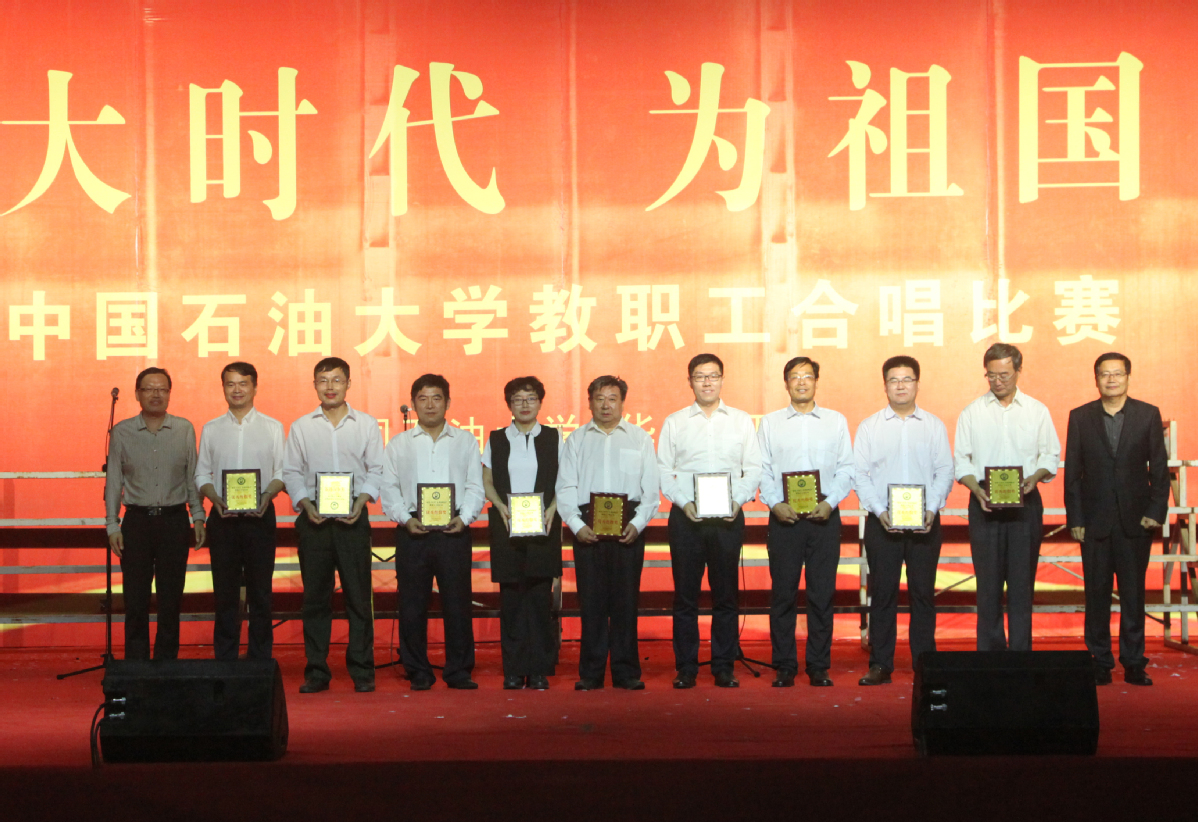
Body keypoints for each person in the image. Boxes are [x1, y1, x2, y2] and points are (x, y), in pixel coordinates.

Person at [657, 353, 762, 689]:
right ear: (689, 381)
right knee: (685, 597)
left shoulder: (741, 420)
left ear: (722, 379)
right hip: (686, 518)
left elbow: (753, 468)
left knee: (726, 595)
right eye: (700, 376)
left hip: (728, 517)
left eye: (713, 376)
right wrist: (684, 502)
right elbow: (663, 470)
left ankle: (723, 666)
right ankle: (686, 667)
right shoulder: (675, 421)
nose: (707, 382)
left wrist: (737, 500)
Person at [1065, 353, 1169, 686]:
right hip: (1094, 521)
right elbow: (1073, 473)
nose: (1111, 379)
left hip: (1135, 521)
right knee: (1096, 595)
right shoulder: (1080, 417)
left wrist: (1155, 511)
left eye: (1117, 374)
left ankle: (1134, 662)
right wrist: (1075, 517)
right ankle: (1099, 661)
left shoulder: (1147, 414)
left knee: (1133, 594)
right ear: (1095, 379)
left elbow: (1160, 469)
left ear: (1128, 377)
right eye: (1104, 374)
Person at [283, 357, 383, 694]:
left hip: (354, 518)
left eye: (337, 380)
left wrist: (361, 501)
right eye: (323, 380)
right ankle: (316, 671)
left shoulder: (366, 424)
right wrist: (306, 504)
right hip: (314, 520)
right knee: (315, 599)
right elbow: (291, 472)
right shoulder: (301, 426)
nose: (330, 387)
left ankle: (362, 670)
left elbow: (376, 469)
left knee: (358, 597)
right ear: (314, 385)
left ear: (348, 384)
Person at [853, 356, 953, 685]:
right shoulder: (870, 426)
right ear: (884, 385)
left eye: (907, 379)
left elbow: (945, 471)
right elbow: (860, 475)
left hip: (926, 523)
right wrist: (879, 510)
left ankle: (925, 662)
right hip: (882, 523)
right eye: (894, 380)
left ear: (917, 384)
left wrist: (932, 508)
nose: (900, 385)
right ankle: (881, 664)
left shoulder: (933, 425)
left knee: (923, 594)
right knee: (883, 594)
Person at [954, 343, 1061, 652]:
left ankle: (1020, 655)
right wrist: (976, 489)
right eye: (991, 375)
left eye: (1004, 375)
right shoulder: (972, 412)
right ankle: (990, 657)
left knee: (1021, 584)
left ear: (1018, 371)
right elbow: (962, 460)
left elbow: (1050, 455)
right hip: (984, 500)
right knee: (987, 585)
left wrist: (1035, 478)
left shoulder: (1037, 411)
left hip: (1025, 501)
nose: (997, 381)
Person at [382, 374, 485, 690]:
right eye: (423, 398)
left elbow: (474, 486)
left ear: (448, 402)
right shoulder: (398, 444)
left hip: (454, 529)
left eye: (436, 398)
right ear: (413, 404)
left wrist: (465, 518)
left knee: (458, 602)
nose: (429, 405)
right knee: (412, 604)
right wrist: (405, 519)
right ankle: (418, 670)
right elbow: (389, 488)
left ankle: (459, 670)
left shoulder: (465, 441)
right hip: (413, 529)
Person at [557, 376, 660, 691]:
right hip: (587, 524)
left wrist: (638, 523)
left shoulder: (640, 438)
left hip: (628, 524)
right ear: (589, 402)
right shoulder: (576, 440)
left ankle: (626, 671)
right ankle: (591, 672)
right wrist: (577, 525)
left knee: (626, 602)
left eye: (612, 398)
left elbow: (651, 491)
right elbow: (565, 487)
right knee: (591, 602)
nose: (606, 405)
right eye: (599, 398)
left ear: (622, 403)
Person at [757, 357, 853, 687]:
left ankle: (818, 665)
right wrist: (775, 504)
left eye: (807, 376)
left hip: (824, 516)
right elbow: (761, 469)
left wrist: (830, 502)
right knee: (783, 594)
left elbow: (846, 468)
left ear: (816, 381)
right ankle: (784, 664)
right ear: (785, 383)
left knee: (821, 594)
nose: (801, 382)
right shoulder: (770, 423)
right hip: (783, 517)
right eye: (795, 377)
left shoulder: (835, 421)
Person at [104, 367, 206, 660]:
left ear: (170, 394)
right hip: (136, 523)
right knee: (135, 599)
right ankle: (136, 665)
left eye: (162, 389)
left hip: (174, 521)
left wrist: (198, 515)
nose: (156, 394)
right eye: (149, 389)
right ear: (137, 394)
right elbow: (114, 482)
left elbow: (192, 477)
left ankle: (166, 665)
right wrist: (112, 525)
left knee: (170, 599)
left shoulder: (184, 429)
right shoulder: (122, 432)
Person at [195, 362, 285, 661]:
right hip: (223, 519)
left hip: (260, 518)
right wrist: (214, 497)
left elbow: (282, 472)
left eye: (243, 383)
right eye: (230, 384)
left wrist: (267, 495)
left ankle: (259, 661)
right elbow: (201, 473)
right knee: (225, 594)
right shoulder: (211, 429)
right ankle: (225, 661)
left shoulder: (273, 427)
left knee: (261, 594)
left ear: (255, 387)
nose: (237, 390)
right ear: (223, 388)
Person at [482, 377, 562, 690]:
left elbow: (566, 479)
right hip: (507, 526)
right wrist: (499, 505)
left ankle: (539, 669)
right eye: (518, 399)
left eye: (530, 398)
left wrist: (553, 508)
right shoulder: (497, 438)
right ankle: (514, 670)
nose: (525, 404)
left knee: (540, 599)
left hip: (544, 526)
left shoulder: (554, 437)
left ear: (540, 402)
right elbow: (487, 479)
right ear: (509, 405)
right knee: (512, 601)